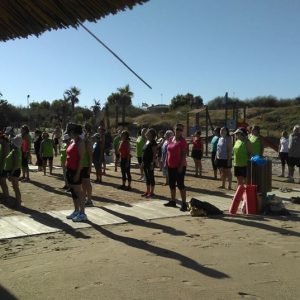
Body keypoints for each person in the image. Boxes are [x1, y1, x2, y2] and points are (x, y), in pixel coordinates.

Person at [65, 123, 87, 222]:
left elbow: (81, 159)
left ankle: (82, 213)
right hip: (69, 169)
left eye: (69, 132)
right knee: (73, 192)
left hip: (76, 170)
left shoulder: (80, 142)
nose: (68, 134)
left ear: (73, 132)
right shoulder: (72, 141)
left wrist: (78, 173)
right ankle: (76, 211)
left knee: (79, 192)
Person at [164, 123, 188, 211]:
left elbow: (183, 154)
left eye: (180, 130)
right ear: (174, 129)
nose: (178, 131)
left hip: (179, 166)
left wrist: (181, 166)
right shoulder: (171, 139)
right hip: (170, 165)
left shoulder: (182, 141)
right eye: (177, 129)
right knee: (171, 184)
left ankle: (184, 204)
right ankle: (173, 201)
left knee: (180, 184)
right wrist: (166, 162)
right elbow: (168, 152)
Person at [3, 135, 22, 208]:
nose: (11, 143)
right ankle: (17, 202)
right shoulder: (16, 150)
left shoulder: (16, 151)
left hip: (14, 171)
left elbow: (15, 164)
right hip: (15, 170)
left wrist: (11, 174)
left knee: (16, 188)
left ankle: (18, 203)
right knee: (15, 187)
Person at [141, 128, 157, 198]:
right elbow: (144, 152)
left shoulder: (153, 142)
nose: (146, 132)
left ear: (151, 134)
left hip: (150, 162)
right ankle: (147, 191)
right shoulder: (147, 141)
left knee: (151, 177)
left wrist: (152, 163)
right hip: (145, 162)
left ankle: (152, 192)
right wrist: (142, 162)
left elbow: (154, 154)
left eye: (148, 132)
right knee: (147, 177)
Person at [82, 124, 93, 207]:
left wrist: (89, 167)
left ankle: (89, 199)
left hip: (86, 165)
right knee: (83, 183)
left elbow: (90, 156)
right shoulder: (80, 142)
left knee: (87, 183)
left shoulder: (87, 143)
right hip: (81, 165)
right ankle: (85, 198)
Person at [0, 130, 10, 201]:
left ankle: (6, 197)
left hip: (4, 165)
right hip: (2, 164)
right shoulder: (2, 143)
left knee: (3, 181)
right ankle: (5, 195)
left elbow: (5, 156)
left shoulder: (5, 143)